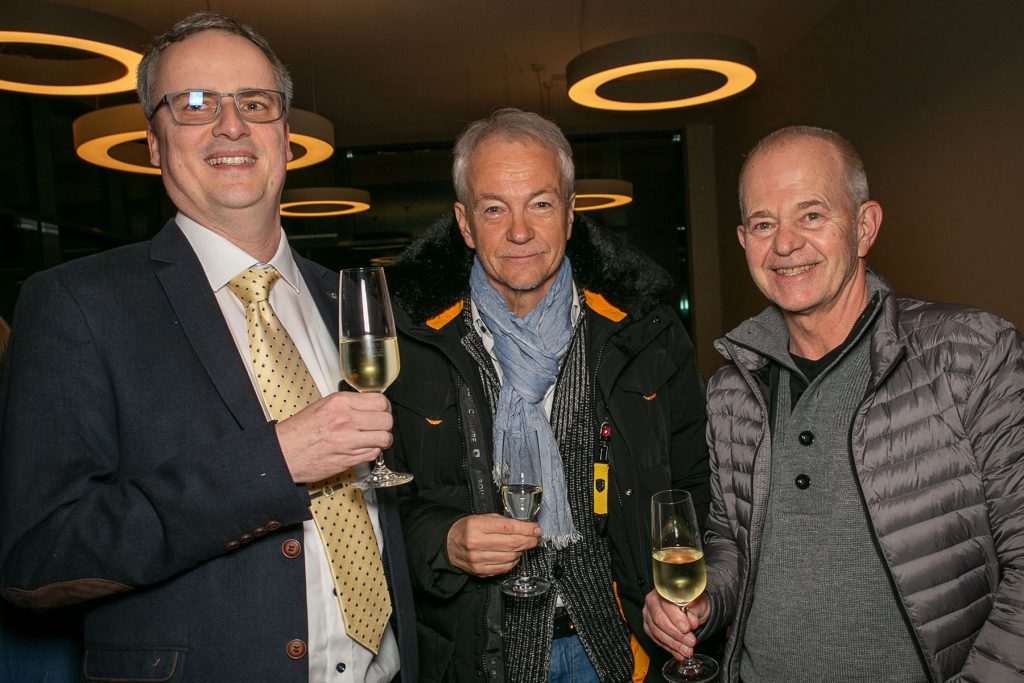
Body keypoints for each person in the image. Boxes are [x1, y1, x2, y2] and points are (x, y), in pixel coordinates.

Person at [0, 12, 416, 682]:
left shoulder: (349, 300)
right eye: (194, 104)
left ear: (285, 134)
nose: (231, 126)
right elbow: (37, 560)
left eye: (255, 103)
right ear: (154, 143)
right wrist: (271, 463)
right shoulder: (74, 303)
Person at [643, 125, 1024, 682]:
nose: (786, 244)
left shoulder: (968, 354)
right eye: (764, 223)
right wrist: (704, 605)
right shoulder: (732, 389)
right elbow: (731, 542)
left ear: (864, 227)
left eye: (812, 215)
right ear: (744, 241)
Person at [385, 108, 711, 682]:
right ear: (464, 224)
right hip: (477, 658)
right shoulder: (409, 346)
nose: (519, 231)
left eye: (540, 203)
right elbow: (376, 506)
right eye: (494, 209)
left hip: (618, 647)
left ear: (569, 212)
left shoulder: (646, 334)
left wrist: (691, 596)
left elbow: (693, 483)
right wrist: (446, 539)